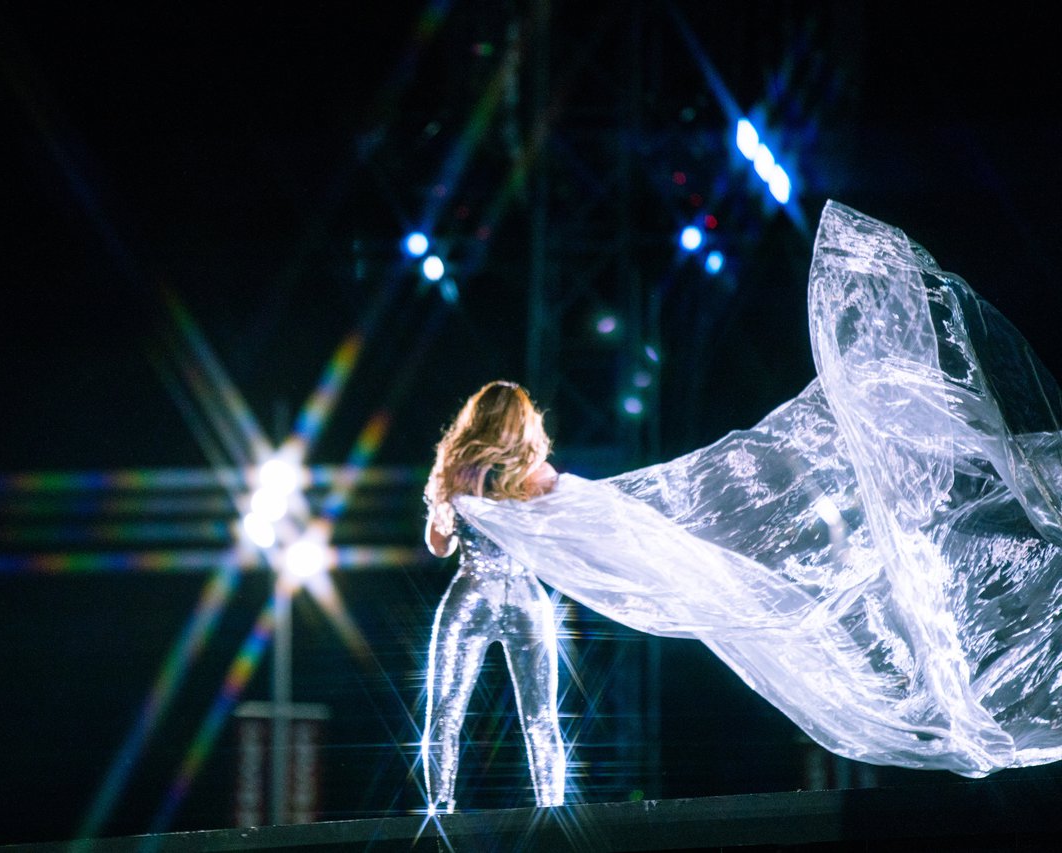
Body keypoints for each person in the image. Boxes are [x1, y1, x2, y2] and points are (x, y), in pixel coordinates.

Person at [453, 201, 1062, 780]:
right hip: (507, 583)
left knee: (514, 712)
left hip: (533, 578)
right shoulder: (493, 485)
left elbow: (579, 515)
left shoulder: (518, 485)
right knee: (475, 707)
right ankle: (468, 806)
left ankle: (496, 808)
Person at [420, 380, 566, 814]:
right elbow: (557, 539)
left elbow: (439, 546)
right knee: (541, 716)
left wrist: (445, 500)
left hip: (472, 595)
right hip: (525, 596)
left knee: (445, 712)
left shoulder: (455, 467)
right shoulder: (538, 473)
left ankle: (440, 811)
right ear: (525, 422)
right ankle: (551, 812)